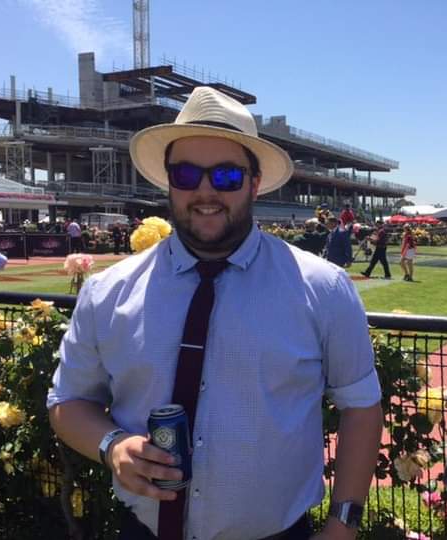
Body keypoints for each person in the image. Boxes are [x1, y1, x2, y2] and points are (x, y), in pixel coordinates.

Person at [47, 86, 382, 540]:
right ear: (168, 181)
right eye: (186, 174)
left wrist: (343, 525)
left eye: (226, 176)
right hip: (142, 530)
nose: (205, 191)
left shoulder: (322, 287)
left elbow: (361, 406)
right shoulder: (108, 290)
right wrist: (113, 445)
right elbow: (67, 401)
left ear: (255, 182)